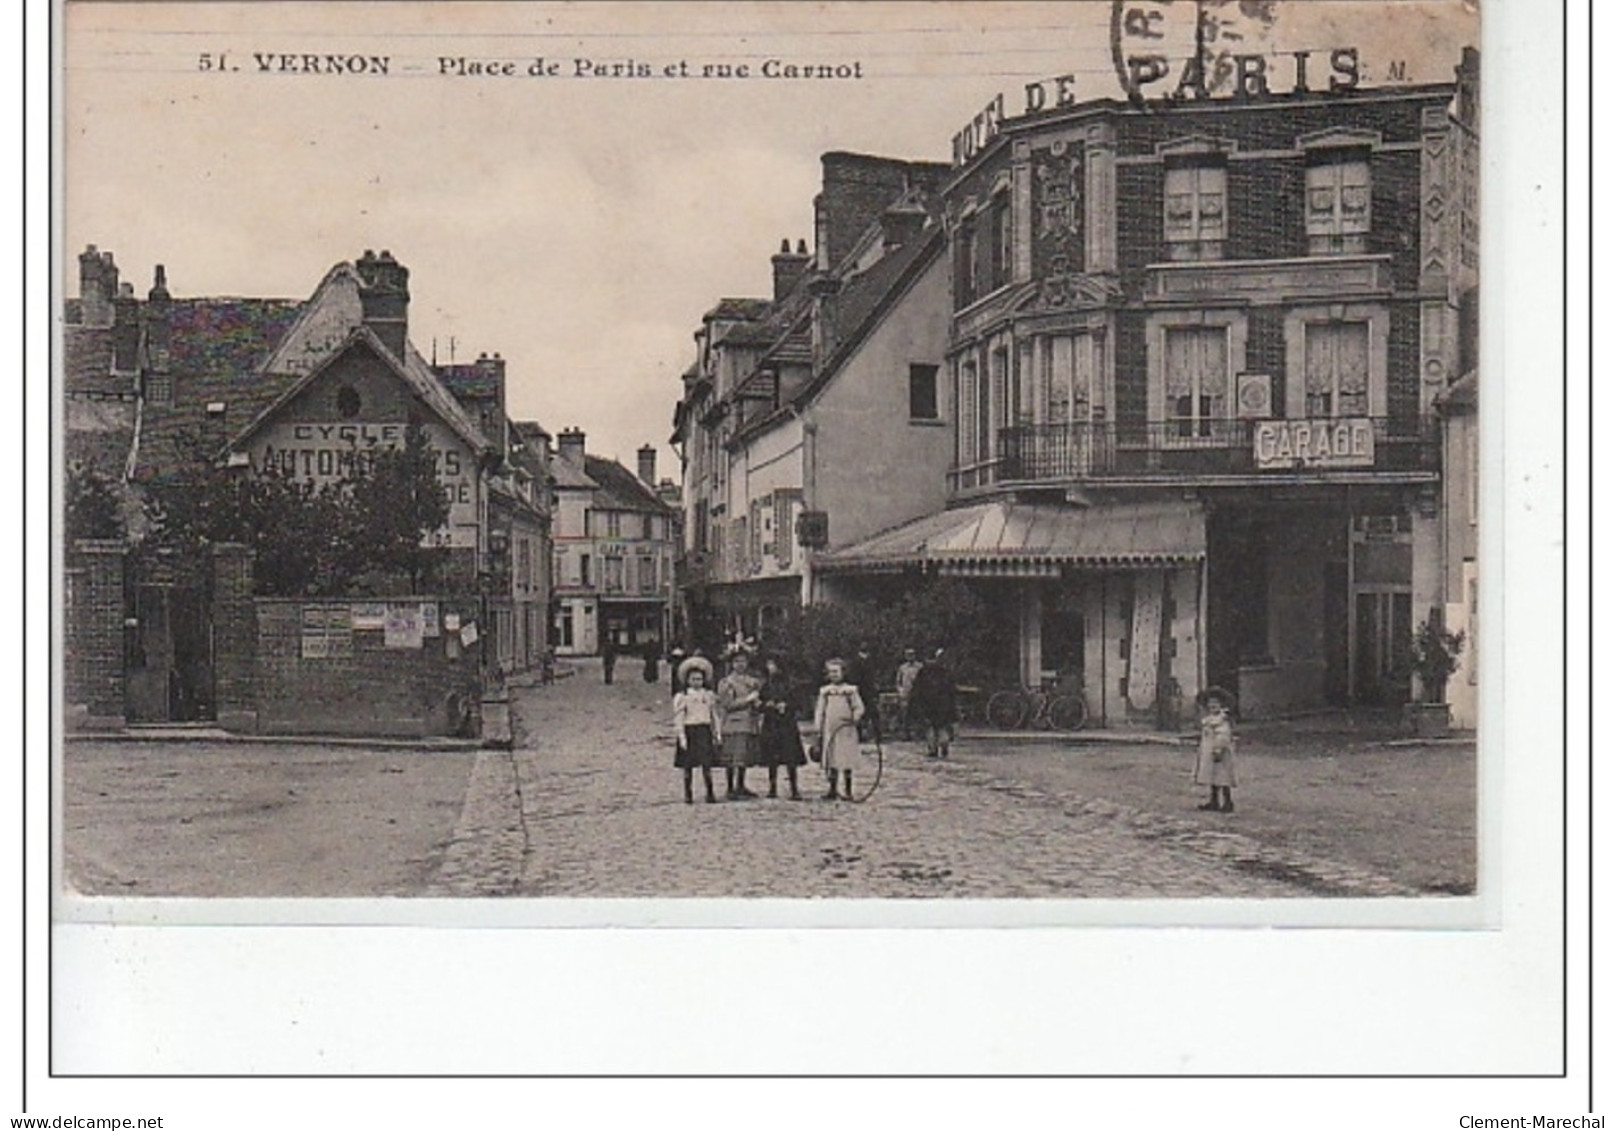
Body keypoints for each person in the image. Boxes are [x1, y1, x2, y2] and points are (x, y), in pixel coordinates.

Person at [813, 657, 865, 801]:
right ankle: (832, 789)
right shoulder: (826, 691)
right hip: (830, 729)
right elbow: (820, 710)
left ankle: (848, 790)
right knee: (832, 758)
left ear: (843, 672)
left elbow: (859, 707)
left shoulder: (850, 691)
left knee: (847, 758)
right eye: (831, 672)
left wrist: (855, 718)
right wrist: (818, 727)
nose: (834, 675)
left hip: (846, 730)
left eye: (836, 671)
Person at [756, 655, 807, 800]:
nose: (770, 667)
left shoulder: (791, 684)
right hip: (771, 722)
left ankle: (794, 788)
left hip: (787, 724)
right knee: (772, 758)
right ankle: (772, 788)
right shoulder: (766, 684)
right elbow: (759, 703)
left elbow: (799, 704)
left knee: (791, 757)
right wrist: (766, 705)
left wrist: (786, 706)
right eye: (768, 664)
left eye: (772, 664)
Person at [673, 657, 722, 804]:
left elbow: (714, 716)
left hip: (704, 730)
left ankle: (710, 792)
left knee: (706, 764)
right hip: (690, 730)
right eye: (693, 679)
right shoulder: (683, 697)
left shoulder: (708, 696)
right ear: (687, 680)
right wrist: (681, 737)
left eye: (699, 679)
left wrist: (717, 733)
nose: (696, 682)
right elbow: (679, 718)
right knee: (688, 766)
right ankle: (688, 794)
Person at [716, 649, 763, 800]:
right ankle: (730, 787)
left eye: (743, 661)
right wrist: (748, 699)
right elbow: (727, 704)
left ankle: (741, 785)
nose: (740, 665)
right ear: (731, 664)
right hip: (733, 722)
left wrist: (758, 704)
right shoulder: (726, 683)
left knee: (744, 755)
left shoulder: (753, 682)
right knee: (731, 756)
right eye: (736, 662)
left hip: (749, 722)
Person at [1193, 687, 1237, 813]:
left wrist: (1218, 749)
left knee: (1223, 777)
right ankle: (1214, 801)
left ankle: (1228, 802)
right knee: (1213, 777)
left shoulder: (1222, 720)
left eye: (1216, 703)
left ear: (1222, 705)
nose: (1212, 705)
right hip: (1209, 752)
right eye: (1210, 703)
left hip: (1220, 754)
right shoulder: (1209, 720)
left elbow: (1223, 736)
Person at [908, 648, 958, 759]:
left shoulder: (923, 672)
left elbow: (916, 690)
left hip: (928, 704)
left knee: (930, 727)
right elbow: (952, 690)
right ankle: (943, 744)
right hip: (943, 704)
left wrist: (916, 703)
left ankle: (933, 749)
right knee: (942, 727)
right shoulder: (945, 671)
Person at [847, 643, 883, 744]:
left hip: (869, 692)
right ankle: (859, 735)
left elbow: (873, 677)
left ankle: (876, 735)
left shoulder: (871, 661)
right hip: (860, 691)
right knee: (859, 713)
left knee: (873, 713)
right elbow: (853, 678)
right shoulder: (855, 662)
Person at [894, 647, 924, 739]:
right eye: (908, 655)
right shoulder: (902, 668)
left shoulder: (920, 667)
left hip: (918, 693)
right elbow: (898, 681)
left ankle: (920, 733)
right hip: (906, 693)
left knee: (919, 713)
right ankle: (905, 733)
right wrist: (900, 691)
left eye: (912, 654)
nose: (910, 657)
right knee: (905, 714)